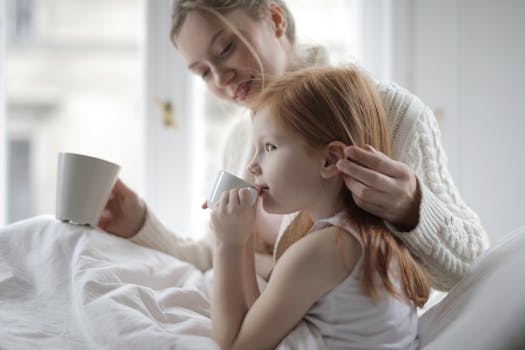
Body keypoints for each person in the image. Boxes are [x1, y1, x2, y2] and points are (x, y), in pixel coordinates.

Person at [98, 0, 488, 292]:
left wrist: (413, 208)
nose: (220, 77)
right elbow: (213, 255)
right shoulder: (239, 142)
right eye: (202, 72)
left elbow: (472, 270)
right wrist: (139, 224)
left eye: (225, 49)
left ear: (275, 18)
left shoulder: (392, 112)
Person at [209, 65, 431, 350]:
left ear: (329, 160)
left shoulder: (321, 251)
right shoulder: (361, 236)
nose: (253, 166)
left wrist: (226, 244)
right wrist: (244, 235)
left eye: (270, 147)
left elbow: (234, 345)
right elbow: (262, 321)